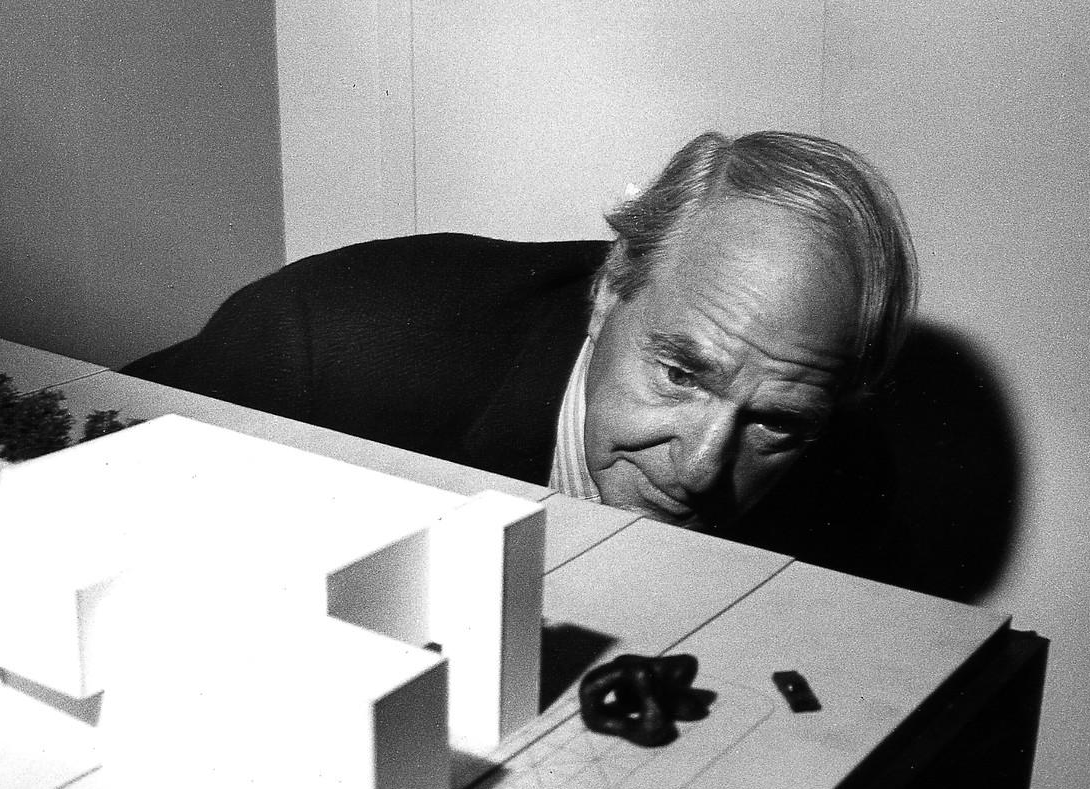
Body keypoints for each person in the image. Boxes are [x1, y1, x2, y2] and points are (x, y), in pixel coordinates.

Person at [123, 131, 916, 549]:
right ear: (610, 289)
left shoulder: (844, 474)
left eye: (773, 421)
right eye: (681, 373)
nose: (702, 467)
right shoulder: (333, 344)